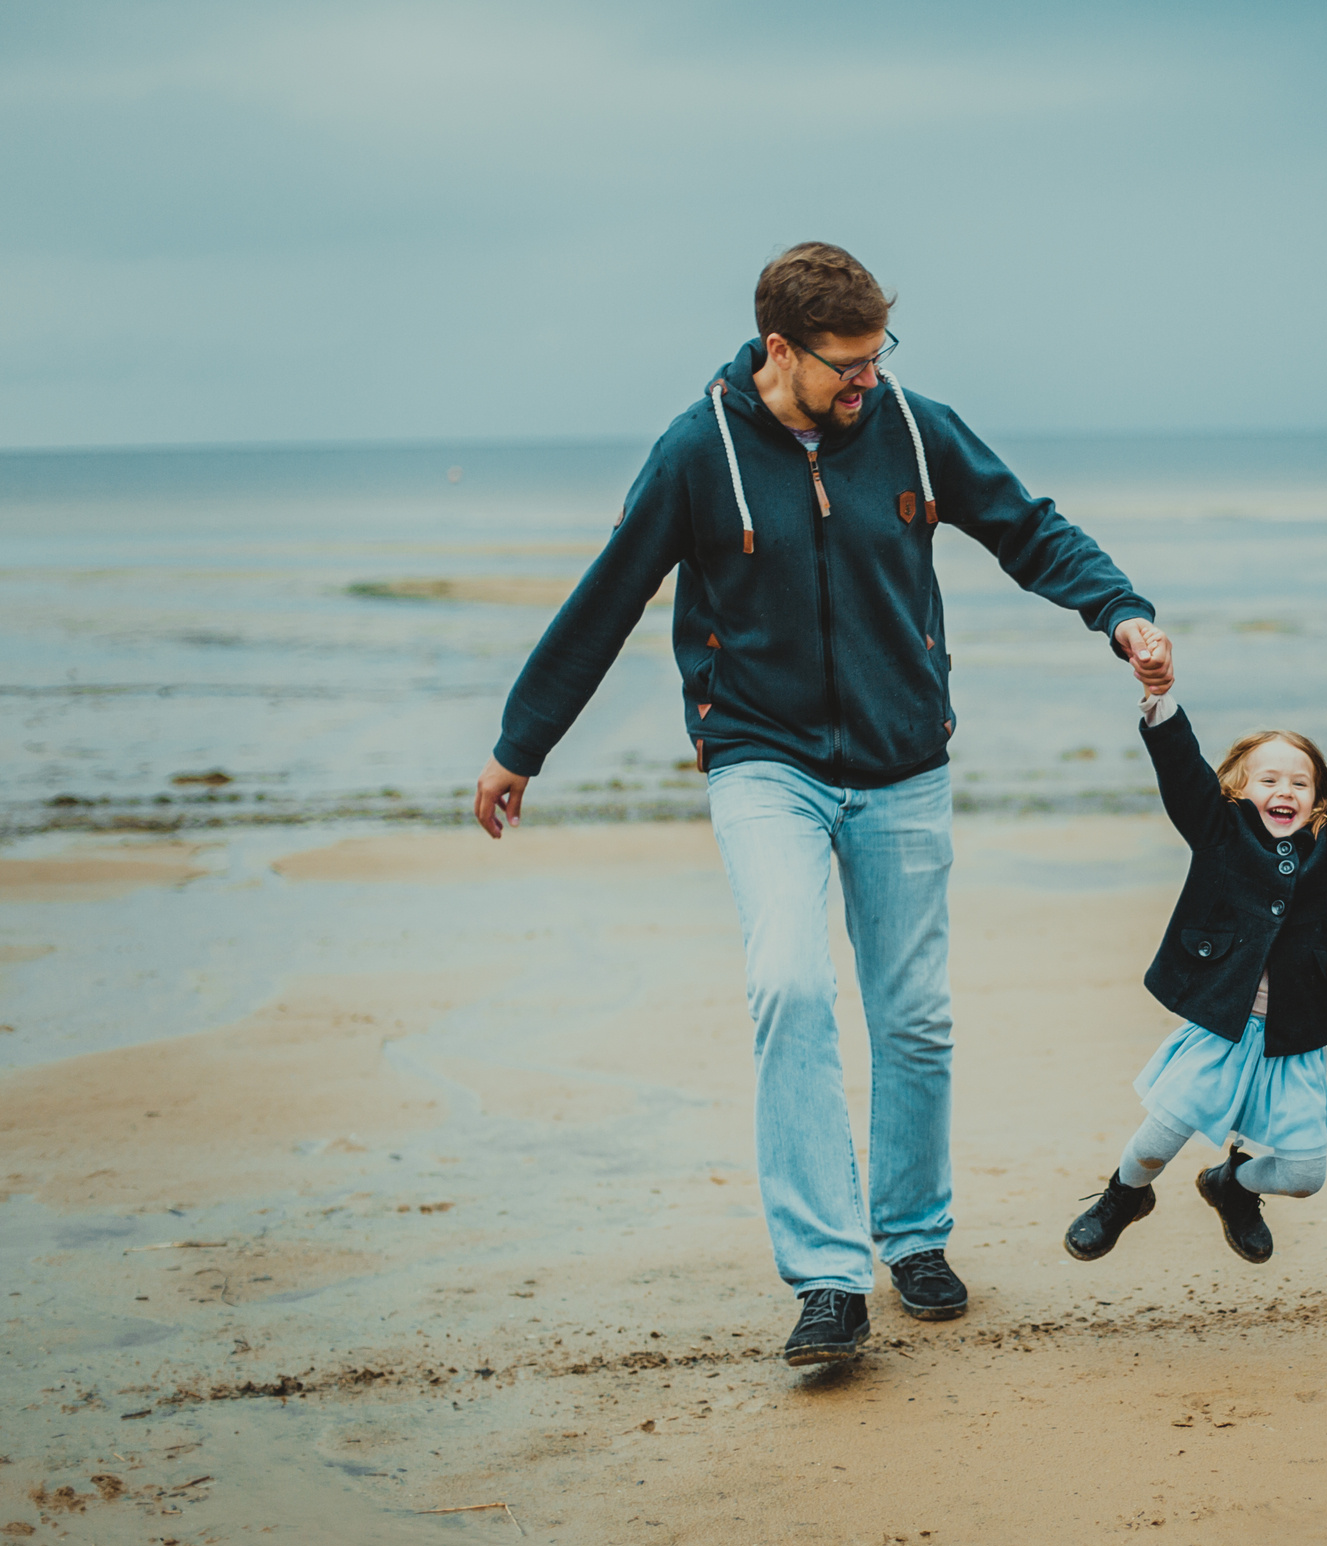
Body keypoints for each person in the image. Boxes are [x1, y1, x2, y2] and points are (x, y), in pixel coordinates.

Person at [472, 242, 1173, 1367]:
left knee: (912, 1017)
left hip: (904, 760)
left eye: (875, 357)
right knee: (789, 986)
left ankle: (914, 1238)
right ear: (778, 350)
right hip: (764, 761)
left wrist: (1119, 611)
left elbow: (1025, 527)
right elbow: (611, 593)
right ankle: (829, 1280)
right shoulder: (698, 451)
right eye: (844, 364)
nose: (865, 381)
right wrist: (522, 743)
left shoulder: (909, 424)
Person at [1063, 677, 1327, 1266]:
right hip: (1222, 1026)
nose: (1286, 791)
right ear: (1235, 787)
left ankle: (1232, 1184)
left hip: (1294, 1043)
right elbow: (1180, 767)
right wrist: (1157, 696)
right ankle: (1123, 1198)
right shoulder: (1218, 833)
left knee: (1305, 1175)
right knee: (1158, 1138)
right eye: (1269, 779)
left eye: (1300, 783)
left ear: (1318, 798)